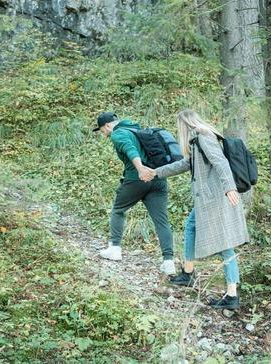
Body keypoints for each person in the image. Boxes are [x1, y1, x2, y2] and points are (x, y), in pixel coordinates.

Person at [140, 109, 249, 310]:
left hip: (215, 198)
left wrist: (229, 187)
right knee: (192, 227)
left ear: (184, 124)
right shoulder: (196, 140)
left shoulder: (202, 136)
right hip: (210, 198)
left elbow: (220, 161)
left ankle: (230, 294)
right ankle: (188, 273)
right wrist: (155, 173)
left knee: (225, 246)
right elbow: (184, 164)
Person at [93, 111, 176, 275]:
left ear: (108, 125)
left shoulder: (119, 134)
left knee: (118, 210)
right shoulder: (136, 129)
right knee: (162, 221)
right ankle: (169, 262)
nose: (104, 135)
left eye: (102, 131)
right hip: (158, 179)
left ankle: (115, 248)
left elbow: (131, 150)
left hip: (137, 179)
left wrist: (140, 170)